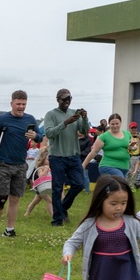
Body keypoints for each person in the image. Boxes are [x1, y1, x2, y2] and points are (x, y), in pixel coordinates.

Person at [0, 91, 40, 239]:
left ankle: (10, 229)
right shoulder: (2, 119)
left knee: (15, 198)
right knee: (1, 197)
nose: (21, 107)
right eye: (18, 104)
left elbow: (40, 135)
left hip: (20, 164)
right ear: (12, 103)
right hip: (3, 163)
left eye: (23, 104)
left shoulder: (30, 119)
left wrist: (35, 136)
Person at [43, 89, 90, 227]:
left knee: (79, 184)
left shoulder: (74, 113)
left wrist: (85, 118)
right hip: (57, 156)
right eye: (64, 99)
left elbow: (84, 131)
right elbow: (49, 133)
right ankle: (57, 220)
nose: (67, 101)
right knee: (57, 188)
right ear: (58, 99)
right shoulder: (51, 114)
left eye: (69, 98)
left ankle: (62, 208)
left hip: (73, 155)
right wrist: (65, 123)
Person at [82, 113, 132, 179]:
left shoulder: (127, 134)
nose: (115, 126)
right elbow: (94, 152)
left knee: (118, 188)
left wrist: (132, 148)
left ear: (121, 123)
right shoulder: (104, 136)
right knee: (120, 184)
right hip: (108, 166)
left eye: (117, 124)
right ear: (109, 124)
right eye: (112, 124)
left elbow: (130, 147)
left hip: (124, 166)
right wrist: (83, 165)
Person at [24, 149, 53, 219]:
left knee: (35, 202)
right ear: (43, 160)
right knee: (49, 201)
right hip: (40, 188)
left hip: (44, 188)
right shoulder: (41, 168)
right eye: (48, 159)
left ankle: (27, 213)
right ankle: (53, 216)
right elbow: (41, 176)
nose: (49, 161)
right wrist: (45, 170)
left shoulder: (50, 167)